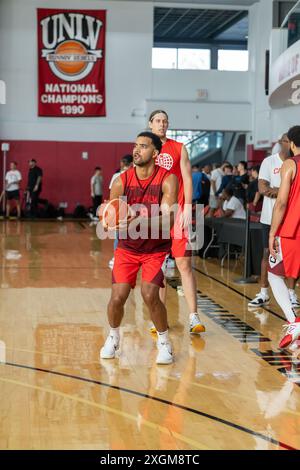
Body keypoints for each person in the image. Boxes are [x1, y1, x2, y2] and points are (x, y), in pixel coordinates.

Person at [100, 131, 178, 364]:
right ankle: (113, 337)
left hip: (156, 249)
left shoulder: (167, 179)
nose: (136, 150)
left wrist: (140, 220)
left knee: (149, 294)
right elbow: (109, 211)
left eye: (143, 146)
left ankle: (164, 342)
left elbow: (169, 221)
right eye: (135, 145)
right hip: (127, 248)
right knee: (118, 298)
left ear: (155, 153)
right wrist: (108, 217)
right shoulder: (121, 180)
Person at [149, 109, 205, 334]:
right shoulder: (144, 149)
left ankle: (194, 317)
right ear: (150, 124)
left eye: (165, 121)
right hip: (155, 217)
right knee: (158, 269)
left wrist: (187, 208)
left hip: (177, 214)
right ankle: (159, 318)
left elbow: (188, 180)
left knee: (184, 265)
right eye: (158, 121)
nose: (162, 124)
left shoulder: (178, 148)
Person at [248, 133, 300, 309]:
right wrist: (285, 191)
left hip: (291, 219)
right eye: (284, 141)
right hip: (270, 217)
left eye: (289, 141)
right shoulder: (269, 162)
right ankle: (263, 293)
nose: (287, 144)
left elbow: (279, 194)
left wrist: (279, 191)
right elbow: (263, 188)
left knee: (293, 258)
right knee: (267, 254)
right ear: (280, 143)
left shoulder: (294, 163)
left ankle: (291, 294)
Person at [268, 125, 300, 349]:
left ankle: (293, 322)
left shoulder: (290, 164)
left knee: (274, 275)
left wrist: (272, 232)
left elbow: (280, 203)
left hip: (292, 231)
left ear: (291, 143)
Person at [108, 154, 133, 269]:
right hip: (133, 204)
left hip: (120, 204)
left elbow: (111, 195)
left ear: (123, 163)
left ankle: (117, 258)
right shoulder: (136, 174)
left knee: (119, 234)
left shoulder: (116, 176)